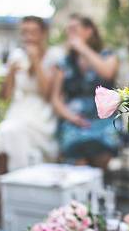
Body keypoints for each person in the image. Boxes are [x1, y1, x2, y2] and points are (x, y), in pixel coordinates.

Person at [0, 16, 62, 221]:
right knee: (3, 137)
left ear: (43, 34)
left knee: (8, 134)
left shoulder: (54, 56)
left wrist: (35, 60)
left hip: (41, 115)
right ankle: (2, 196)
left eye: (32, 32)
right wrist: (10, 73)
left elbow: (47, 94)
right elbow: (4, 96)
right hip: (18, 111)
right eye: (24, 32)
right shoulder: (16, 55)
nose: (28, 36)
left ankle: (6, 198)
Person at [51, 14, 120, 167]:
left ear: (89, 31)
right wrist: (72, 118)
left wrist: (83, 49)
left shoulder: (108, 56)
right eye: (68, 30)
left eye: (74, 29)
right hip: (74, 121)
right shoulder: (64, 63)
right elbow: (55, 99)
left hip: (104, 120)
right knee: (77, 163)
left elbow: (107, 73)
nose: (70, 34)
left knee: (102, 159)